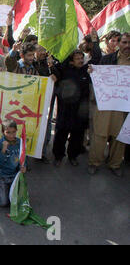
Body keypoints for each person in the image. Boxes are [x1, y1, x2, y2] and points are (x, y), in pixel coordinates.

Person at [88, 32, 130, 177]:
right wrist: (93, 72)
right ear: (119, 43)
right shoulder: (107, 59)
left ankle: (115, 164)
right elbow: (97, 78)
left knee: (119, 137)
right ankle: (94, 162)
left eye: (129, 43)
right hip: (106, 105)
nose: (127, 46)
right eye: (124, 42)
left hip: (124, 108)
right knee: (100, 135)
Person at [52, 50, 90, 167]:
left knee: (77, 135)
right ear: (71, 61)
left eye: (81, 58)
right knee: (61, 134)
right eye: (77, 58)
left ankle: (73, 156)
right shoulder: (64, 71)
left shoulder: (86, 72)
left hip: (80, 111)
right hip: (65, 110)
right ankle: (58, 156)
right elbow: (56, 68)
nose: (80, 60)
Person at [0, 120, 27, 207]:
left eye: (14, 132)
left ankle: (7, 189)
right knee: (3, 203)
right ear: (3, 132)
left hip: (14, 176)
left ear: (16, 131)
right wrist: (3, 150)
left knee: (16, 202)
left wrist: (23, 167)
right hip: (2, 176)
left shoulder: (20, 142)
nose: (11, 135)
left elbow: (22, 158)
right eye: (8, 132)